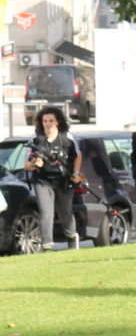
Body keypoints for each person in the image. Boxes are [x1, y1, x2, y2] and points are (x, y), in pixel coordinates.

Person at [25, 107, 82, 249]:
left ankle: (71, 237)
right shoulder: (35, 139)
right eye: (45, 121)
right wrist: (35, 164)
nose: (48, 124)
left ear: (58, 122)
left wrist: (75, 173)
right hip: (42, 181)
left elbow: (78, 156)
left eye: (51, 121)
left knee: (65, 212)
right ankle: (47, 246)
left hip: (63, 180)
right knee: (46, 212)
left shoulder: (67, 138)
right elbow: (26, 164)